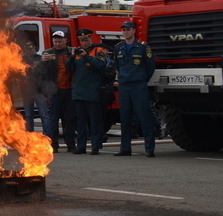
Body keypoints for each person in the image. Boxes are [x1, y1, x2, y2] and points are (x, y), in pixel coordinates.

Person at [113, 20, 156, 157]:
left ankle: (149, 149)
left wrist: (142, 79)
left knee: (144, 116)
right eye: (123, 30)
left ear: (133, 31)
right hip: (124, 86)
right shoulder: (118, 48)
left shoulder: (143, 47)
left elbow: (150, 66)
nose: (125, 32)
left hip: (138, 85)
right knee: (125, 118)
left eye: (128, 29)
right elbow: (117, 66)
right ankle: (125, 148)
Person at [65, 29, 107, 155]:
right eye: (82, 41)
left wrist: (86, 56)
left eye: (86, 40)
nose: (84, 43)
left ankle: (95, 146)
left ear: (90, 39)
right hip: (79, 92)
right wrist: (72, 56)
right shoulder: (77, 53)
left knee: (94, 121)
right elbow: (68, 67)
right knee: (80, 121)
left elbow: (100, 65)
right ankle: (81, 146)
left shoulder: (98, 50)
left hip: (92, 92)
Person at [44, 30, 75, 153]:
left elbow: (75, 68)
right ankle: (54, 145)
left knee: (69, 119)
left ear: (65, 41)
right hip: (55, 92)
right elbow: (39, 72)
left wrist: (73, 56)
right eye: (55, 41)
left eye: (60, 41)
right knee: (53, 119)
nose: (57, 44)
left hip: (69, 91)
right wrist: (42, 61)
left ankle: (71, 144)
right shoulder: (47, 53)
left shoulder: (71, 51)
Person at [18, 41, 53, 138]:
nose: (29, 51)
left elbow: (45, 73)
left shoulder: (40, 58)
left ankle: (47, 137)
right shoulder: (21, 59)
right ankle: (30, 137)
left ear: (34, 48)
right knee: (29, 116)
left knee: (44, 115)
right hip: (26, 92)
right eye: (27, 49)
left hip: (39, 91)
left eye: (31, 48)